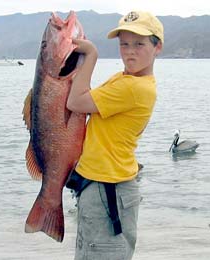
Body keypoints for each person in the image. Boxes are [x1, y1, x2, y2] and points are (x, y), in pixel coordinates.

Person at [66, 10, 164, 260]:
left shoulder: (133, 87)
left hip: (108, 191)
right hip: (102, 185)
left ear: (157, 47)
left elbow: (76, 102)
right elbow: (86, 100)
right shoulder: (123, 79)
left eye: (139, 44)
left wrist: (91, 55)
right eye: (124, 44)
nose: (130, 51)